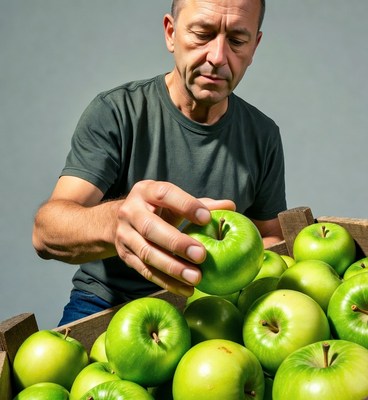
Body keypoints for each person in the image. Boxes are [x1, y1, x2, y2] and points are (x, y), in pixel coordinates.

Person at [32, 0, 287, 325]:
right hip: (108, 306)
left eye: (237, 41)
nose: (218, 57)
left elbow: (272, 238)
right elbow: (46, 231)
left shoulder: (262, 134)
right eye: (202, 34)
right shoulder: (116, 113)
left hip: (211, 310)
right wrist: (117, 223)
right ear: (171, 33)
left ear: (254, 47)